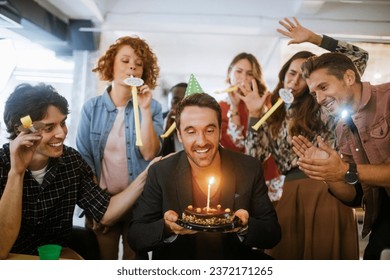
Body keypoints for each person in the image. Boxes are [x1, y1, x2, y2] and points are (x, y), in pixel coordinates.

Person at [229, 17, 369, 259]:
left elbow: (359, 57)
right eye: (291, 73)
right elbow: (254, 159)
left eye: (303, 77)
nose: (294, 81)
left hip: (328, 190)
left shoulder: (324, 105)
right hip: (290, 194)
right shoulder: (272, 114)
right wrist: (253, 115)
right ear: (284, 73)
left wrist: (316, 39)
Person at [0, 83, 159, 260]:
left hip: (56, 261)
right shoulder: (2, 164)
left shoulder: (71, 161)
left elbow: (105, 213)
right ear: (21, 129)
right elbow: (1, 249)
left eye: (62, 123)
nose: (61, 133)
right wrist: (16, 172)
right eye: (49, 127)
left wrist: (147, 174)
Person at [128, 93, 281, 260]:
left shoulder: (248, 168)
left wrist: (244, 226)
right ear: (179, 135)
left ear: (219, 132)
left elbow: (272, 233)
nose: (201, 141)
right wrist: (167, 227)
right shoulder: (161, 172)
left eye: (209, 130)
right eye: (191, 131)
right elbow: (136, 236)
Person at [292, 51, 390, 259]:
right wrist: (328, 173)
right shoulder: (342, 127)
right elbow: (354, 195)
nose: (318, 99)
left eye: (323, 87)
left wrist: (347, 170)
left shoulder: (387, 99)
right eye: (314, 93)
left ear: (348, 77)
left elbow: (352, 171)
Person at [76, 36, 164, 259]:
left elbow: (149, 153)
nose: (132, 66)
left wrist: (143, 109)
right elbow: (84, 161)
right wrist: (95, 206)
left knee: (133, 266)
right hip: (104, 202)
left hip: (139, 204)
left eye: (138, 63)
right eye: (125, 61)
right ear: (111, 65)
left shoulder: (152, 107)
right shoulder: (91, 108)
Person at [220, 52, 283, 203]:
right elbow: (237, 145)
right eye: (239, 71)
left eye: (249, 74)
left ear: (255, 78)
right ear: (230, 73)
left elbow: (269, 139)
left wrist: (258, 110)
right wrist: (234, 107)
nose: (243, 78)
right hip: (236, 174)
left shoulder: (267, 99)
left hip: (267, 172)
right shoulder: (221, 105)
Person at [159, 83, 187, 156]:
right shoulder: (159, 120)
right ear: (169, 103)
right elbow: (154, 155)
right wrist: (167, 130)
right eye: (175, 101)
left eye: (186, 101)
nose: (180, 105)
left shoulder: (199, 122)